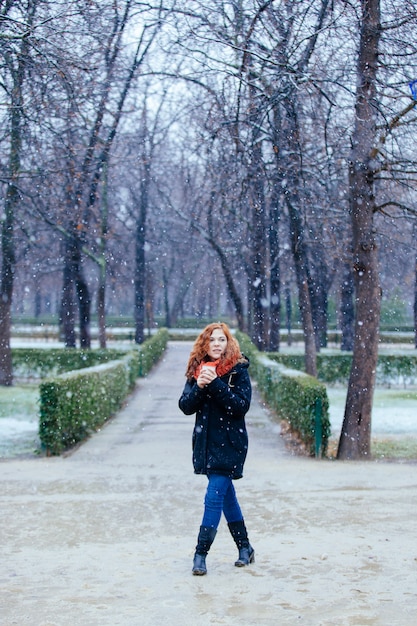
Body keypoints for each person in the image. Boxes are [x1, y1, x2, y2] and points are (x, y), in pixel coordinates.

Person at [178, 322, 255, 576]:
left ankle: (200, 555)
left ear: (228, 343)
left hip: (231, 444)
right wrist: (200, 385)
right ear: (205, 344)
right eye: (212, 340)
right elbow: (186, 406)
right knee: (226, 496)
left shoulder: (238, 370)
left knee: (213, 496)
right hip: (206, 444)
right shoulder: (197, 370)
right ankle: (245, 548)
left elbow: (241, 406)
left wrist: (216, 385)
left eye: (221, 339)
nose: (217, 344)